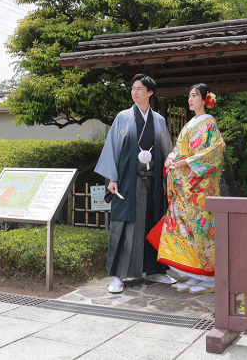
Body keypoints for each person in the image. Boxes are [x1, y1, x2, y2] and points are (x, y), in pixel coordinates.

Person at [95, 74, 175, 293]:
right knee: (126, 224)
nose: (135, 92)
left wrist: (170, 178)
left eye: (140, 89)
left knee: (152, 221)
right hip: (128, 182)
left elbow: (167, 151)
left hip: (153, 183)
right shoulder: (123, 117)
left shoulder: (158, 120)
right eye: (133, 89)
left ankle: (156, 270)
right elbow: (112, 148)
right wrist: (112, 178)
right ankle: (119, 276)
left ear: (150, 92)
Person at [159, 83, 225, 294]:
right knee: (185, 229)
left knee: (202, 229)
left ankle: (210, 278)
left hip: (200, 186)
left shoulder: (210, 124)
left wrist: (187, 163)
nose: (190, 99)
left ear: (205, 99)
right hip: (184, 186)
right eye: (189, 95)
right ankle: (194, 275)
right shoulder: (190, 124)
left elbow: (215, 151)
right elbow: (178, 149)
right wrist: (170, 159)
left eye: (194, 95)